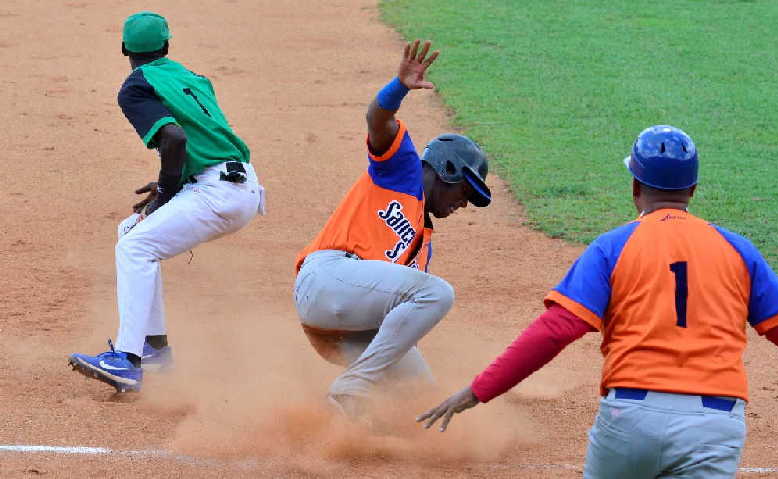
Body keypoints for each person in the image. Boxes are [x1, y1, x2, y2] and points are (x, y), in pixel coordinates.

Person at [418, 125, 778, 478]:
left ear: (635, 187)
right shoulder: (738, 251)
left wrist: (479, 390)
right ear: (693, 190)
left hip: (631, 419)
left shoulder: (612, 248)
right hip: (714, 426)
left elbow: (554, 331)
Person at [293, 40, 492, 418]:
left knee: (418, 401)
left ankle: (339, 425)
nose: (463, 204)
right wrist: (399, 87)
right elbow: (377, 119)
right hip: (326, 277)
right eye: (465, 192)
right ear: (447, 170)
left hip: (341, 330)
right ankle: (353, 386)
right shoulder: (402, 170)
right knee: (438, 293)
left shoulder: (422, 246)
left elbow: (397, 322)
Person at [69, 11, 265, 393]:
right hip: (236, 183)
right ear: (167, 45)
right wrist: (168, 184)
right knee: (129, 230)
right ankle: (155, 348)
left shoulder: (136, 87)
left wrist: (167, 192)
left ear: (124, 48)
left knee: (135, 247)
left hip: (217, 192)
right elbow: (198, 140)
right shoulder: (194, 79)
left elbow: (174, 140)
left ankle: (127, 360)